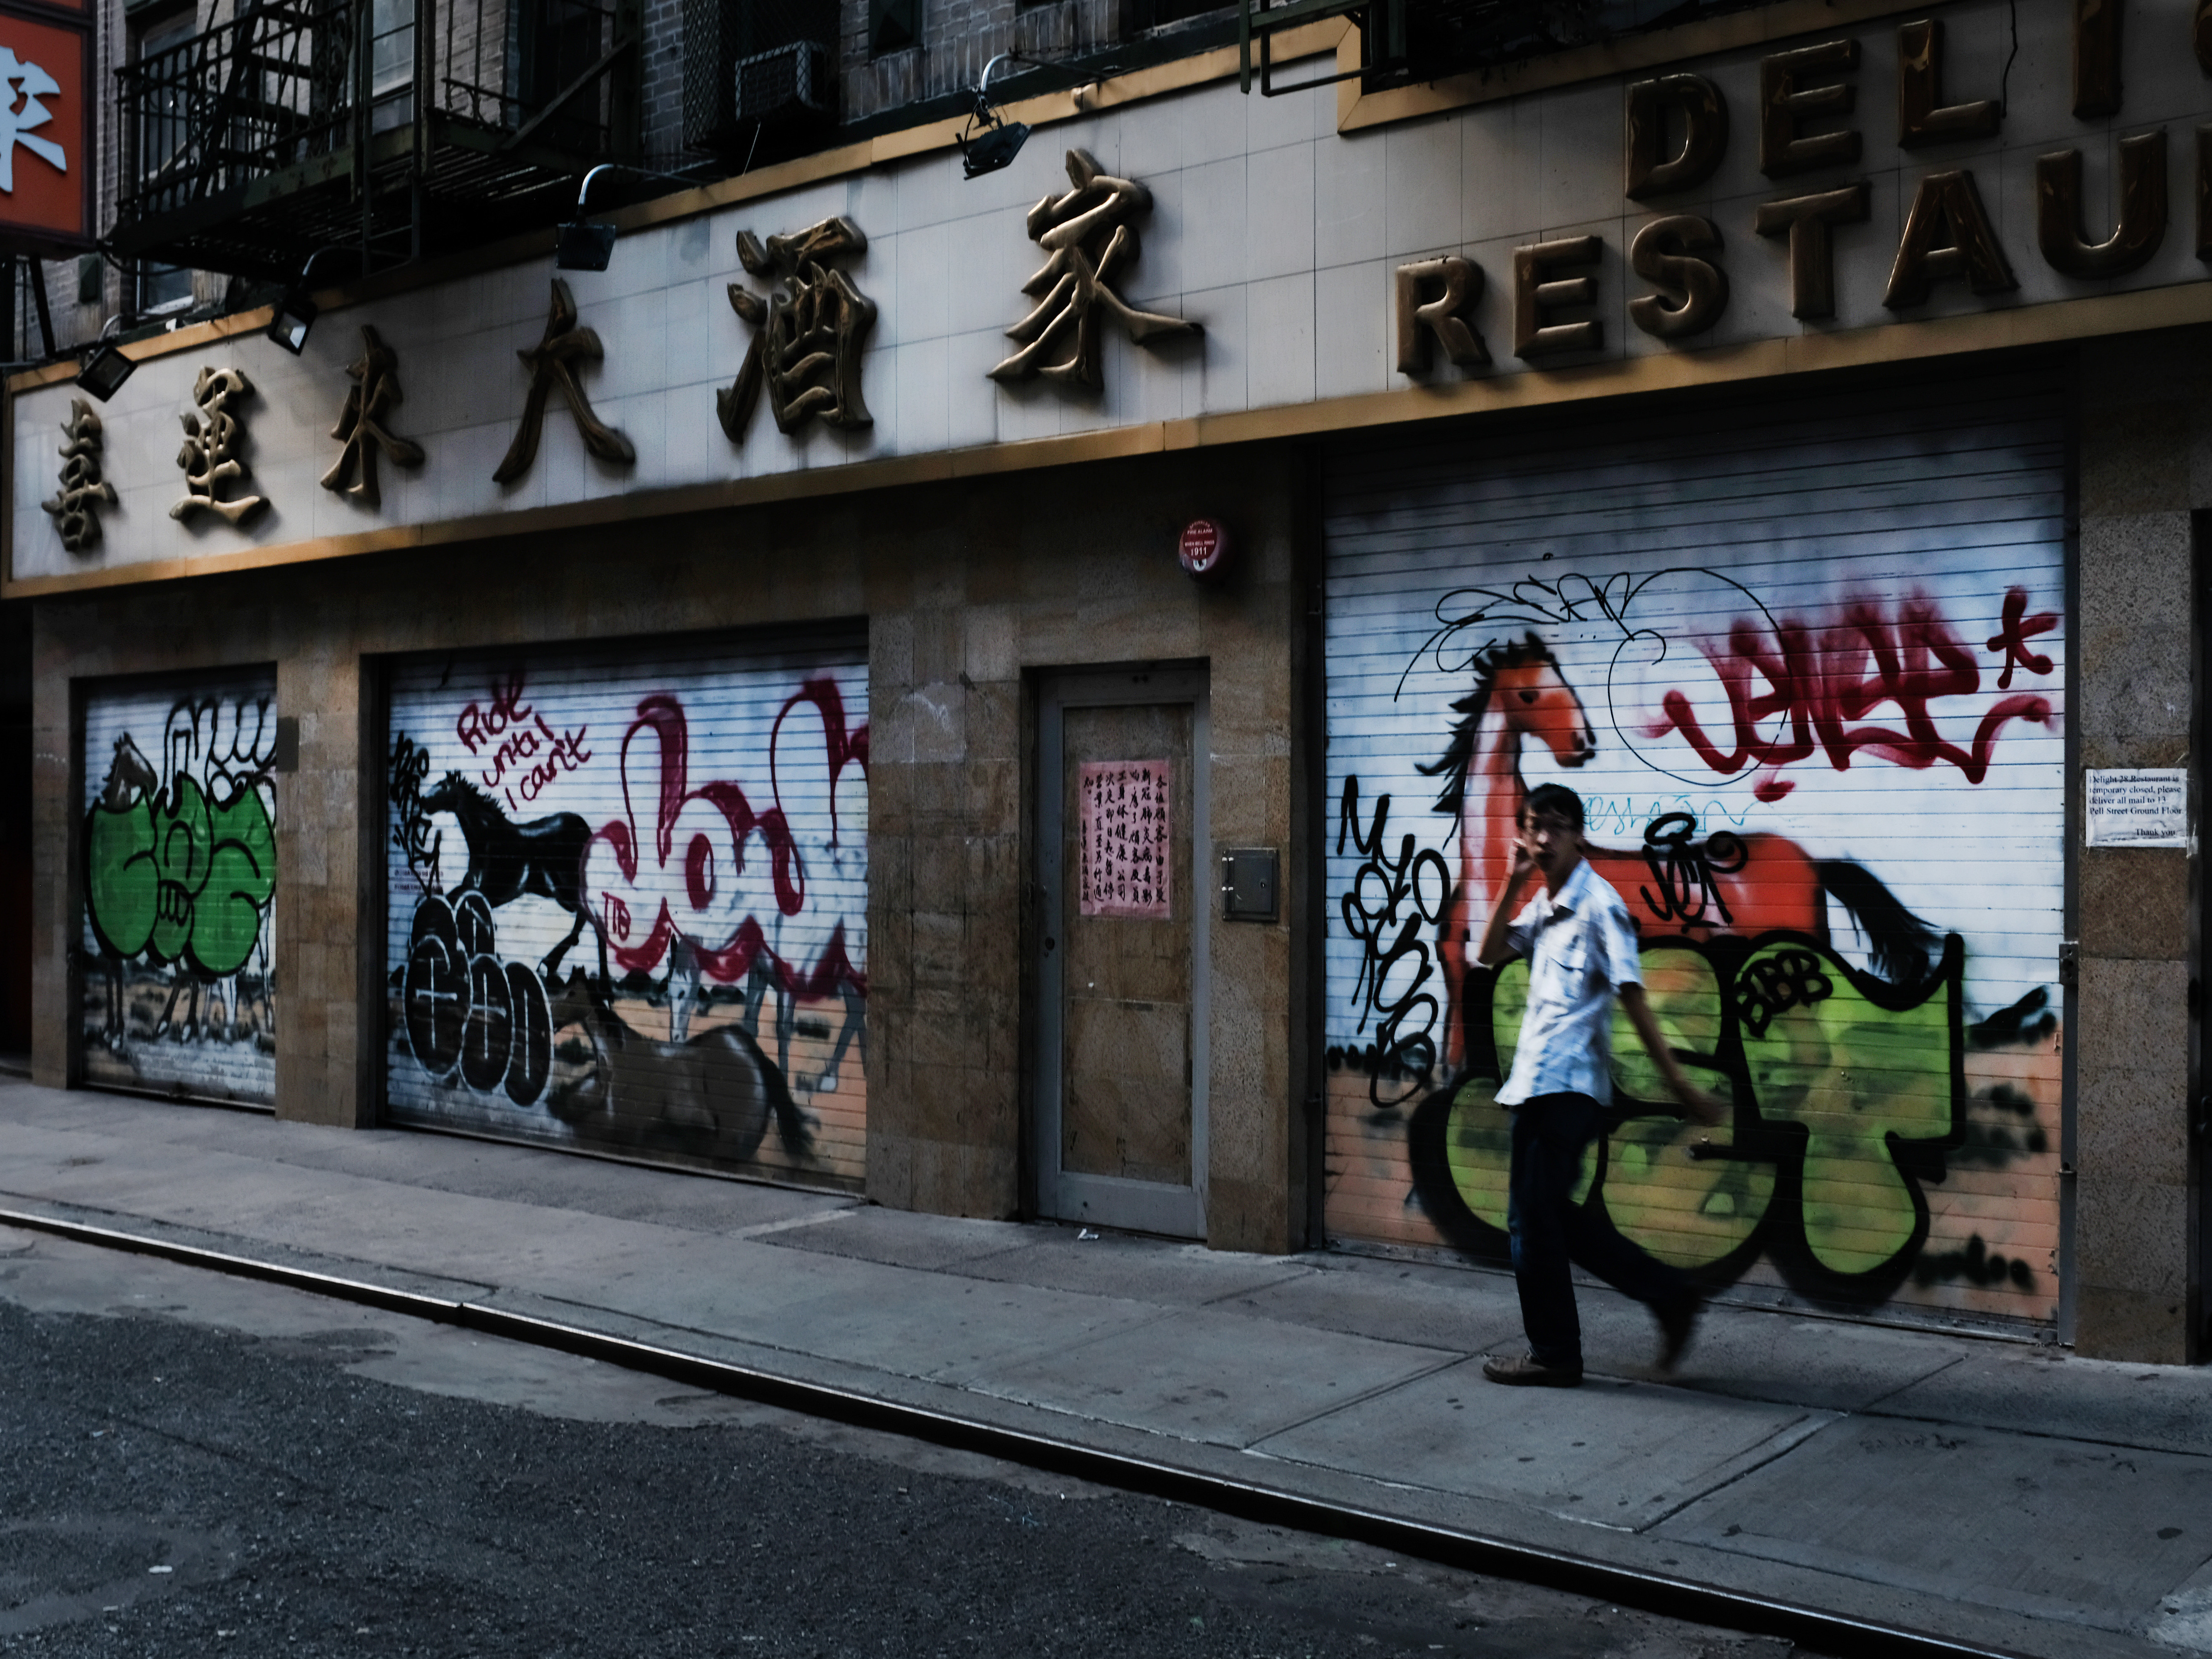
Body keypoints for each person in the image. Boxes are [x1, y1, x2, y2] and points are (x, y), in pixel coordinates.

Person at [1473, 782, 1726, 1387]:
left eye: (1556, 825)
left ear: (1579, 834)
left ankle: (1556, 1354)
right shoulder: (1545, 907)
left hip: (1568, 1090)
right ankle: (1669, 1296)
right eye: (1533, 825)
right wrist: (1511, 880)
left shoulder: (1600, 906)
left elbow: (1632, 998)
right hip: (1537, 1087)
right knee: (1550, 1218)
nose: (1542, 837)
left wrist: (1682, 1087)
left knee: (1530, 1224)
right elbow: (1485, 955)